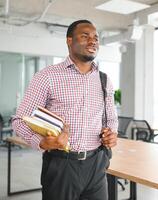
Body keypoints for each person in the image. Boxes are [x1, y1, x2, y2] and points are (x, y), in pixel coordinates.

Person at [12, 19, 118, 200]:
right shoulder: (47, 76)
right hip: (61, 165)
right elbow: (19, 120)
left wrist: (112, 134)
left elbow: (111, 119)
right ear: (69, 40)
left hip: (97, 164)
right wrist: (42, 142)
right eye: (85, 36)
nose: (93, 41)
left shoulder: (104, 79)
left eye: (96, 38)